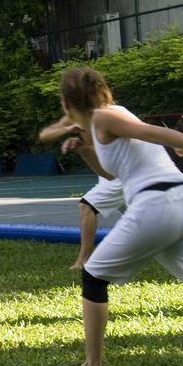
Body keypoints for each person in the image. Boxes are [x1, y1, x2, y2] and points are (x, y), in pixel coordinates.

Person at [58, 67, 183, 366]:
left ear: (66, 102)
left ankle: (93, 364)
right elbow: (112, 174)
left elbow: (152, 132)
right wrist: (83, 150)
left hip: (157, 206)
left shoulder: (103, 117)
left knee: (94, 276)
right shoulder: (107, 121)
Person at [39, 115, 126, 270]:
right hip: (107, 176)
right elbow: (44, 135)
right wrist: (67, 129)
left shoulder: (110, 115)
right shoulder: (76, 116)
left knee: (86, 206)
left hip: (122, 173)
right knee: (147, 221)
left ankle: (82, 261)